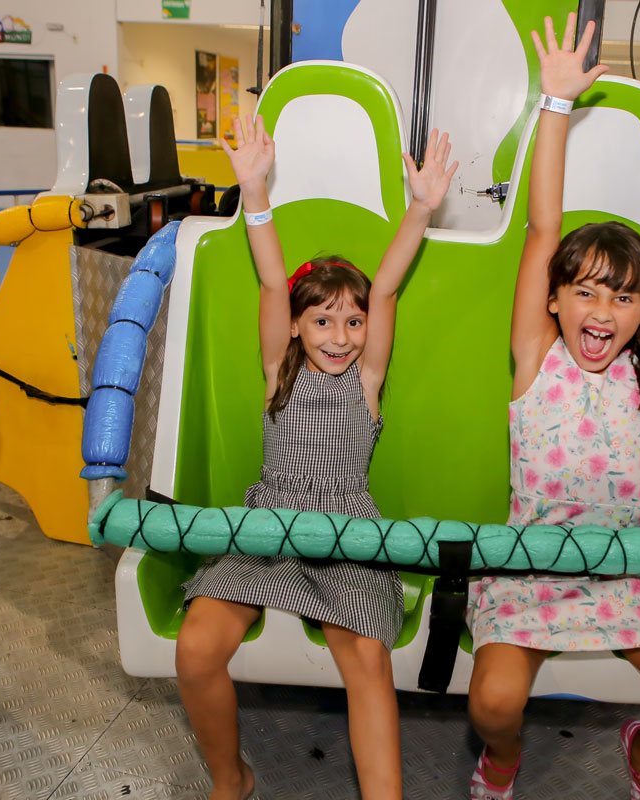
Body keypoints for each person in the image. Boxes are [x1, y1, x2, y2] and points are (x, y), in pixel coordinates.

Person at [465, 15, 640, 800]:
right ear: (554, 300)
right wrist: (555, 103)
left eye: (623, 298)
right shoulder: (537, 359)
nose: (602, 310)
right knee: (493, 704)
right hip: (531, 568)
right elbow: (542, 226)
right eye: (585, 291)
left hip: (627, 571)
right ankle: (503, 759)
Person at [174, 114, 457, 800]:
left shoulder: (366, 380)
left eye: (353, 321)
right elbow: (273, 282)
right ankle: (230, 778)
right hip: (269, 525)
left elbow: (385, 286)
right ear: (297, 326)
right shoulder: (281, 370)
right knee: (196, 647)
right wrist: (254, 192)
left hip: (346, 531)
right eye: (323, 320)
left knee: (368, 659)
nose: (341, 335)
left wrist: (421, 209)